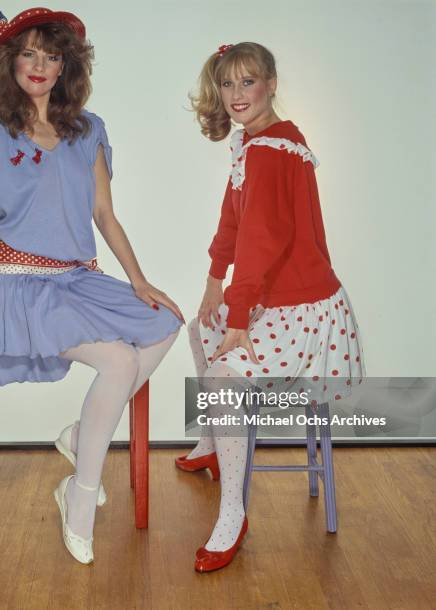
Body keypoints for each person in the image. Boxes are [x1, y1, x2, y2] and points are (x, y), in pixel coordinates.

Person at [0, 7, 183, 565]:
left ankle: (82, 436)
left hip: (75, 279)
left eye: (51, 55)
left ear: (67, 66)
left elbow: (104, 216)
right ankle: (80, 498)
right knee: (118, 363)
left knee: (165, 321)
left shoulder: (90, 130)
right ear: (9, 61)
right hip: (16, 287)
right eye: (28, 53)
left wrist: (139, 280)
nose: (39, 65)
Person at [177, 42, 365, 573]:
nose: (236, 95)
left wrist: (240, 319)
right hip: (277, 300)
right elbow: (233, 221)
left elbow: (262, 241)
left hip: (303, 310)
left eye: (248, 82)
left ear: (272, 83)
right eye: (228, 84)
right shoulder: (257, 142)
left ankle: (233, 512)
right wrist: (216, 284)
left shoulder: (271, 150)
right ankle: (211, 441)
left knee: (221, 378)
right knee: (200, 329)